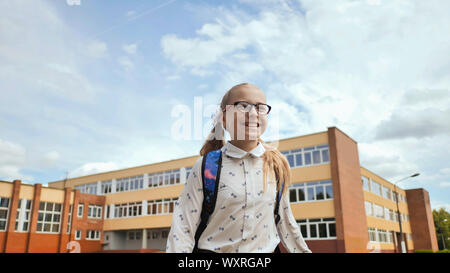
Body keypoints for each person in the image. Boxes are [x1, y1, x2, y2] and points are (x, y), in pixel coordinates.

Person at [166, 83, 311, 253]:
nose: (253, 113)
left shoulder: (275, 167)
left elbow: (286, 223)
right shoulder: (207, 166)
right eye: (243, 106)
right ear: (224, 118)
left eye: (260, 107)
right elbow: (183, 225)